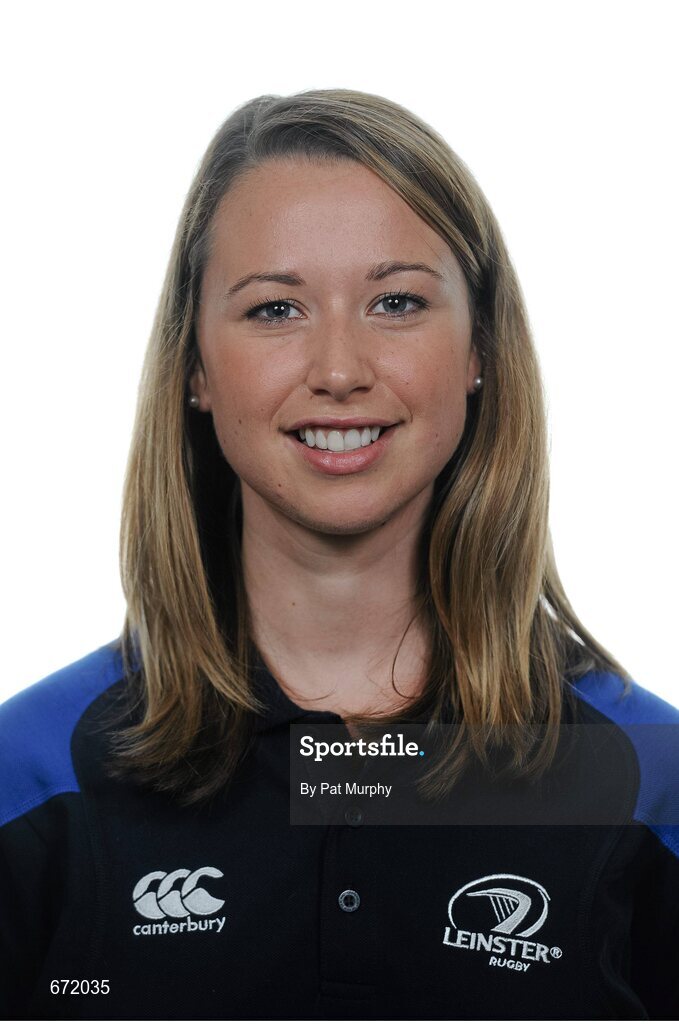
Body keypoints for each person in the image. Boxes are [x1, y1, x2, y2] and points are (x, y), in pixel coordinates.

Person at [1, 88, 677, 1021]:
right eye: (275, 309)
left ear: (478, 347)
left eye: (395, 301)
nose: (338, 367)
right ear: (194, 367)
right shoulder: (32, 772)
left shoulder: (650, 778)